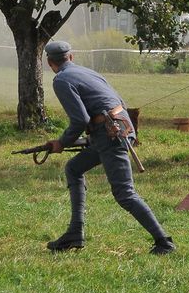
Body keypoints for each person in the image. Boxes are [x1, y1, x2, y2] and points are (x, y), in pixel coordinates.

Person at [41, 41, 176, 255]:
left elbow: (79, 120)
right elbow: (117, 101)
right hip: (121, 127)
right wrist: (93, 137)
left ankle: (164, 242)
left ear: (49, 62)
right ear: (71, 57)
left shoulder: (62, 80)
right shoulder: (89, 72)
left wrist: (62, 142)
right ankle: (75, 233)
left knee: (125, 193)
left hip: (110, 134)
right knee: (74, 168)